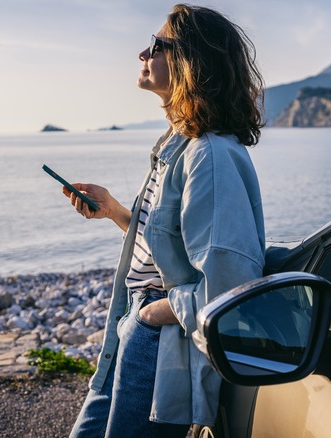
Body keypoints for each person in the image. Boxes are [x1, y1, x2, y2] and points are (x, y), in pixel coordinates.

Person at [65, 4, 266, 437]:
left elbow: (232, 284)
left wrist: (153, 315)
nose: (143, 52)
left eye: (156, 45)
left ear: (190, 61)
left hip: (159, 335)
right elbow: (171, 249)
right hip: (137, 324)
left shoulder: (209, 156)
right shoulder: (177, 144)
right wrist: (117, 212)